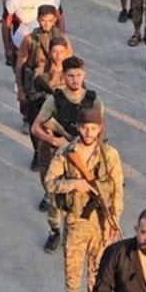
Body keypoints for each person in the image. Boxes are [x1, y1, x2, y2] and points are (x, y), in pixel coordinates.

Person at [44, 107, 124, 292]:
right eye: (85, 128)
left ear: (100, 129)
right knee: (73, 268)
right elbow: (50, 182)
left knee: (98, 268)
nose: (89, 133)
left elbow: (117, 190)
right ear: (78, 128)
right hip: (76, 221)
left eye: (93, 128)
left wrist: (114, 220)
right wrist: (74, 184)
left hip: (102, 222)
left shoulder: (110, 155)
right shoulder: (66, 153)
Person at [31, 56, 103, 251]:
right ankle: (55, 231)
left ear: (84, 75)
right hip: (57, 156)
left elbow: (100, 130)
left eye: (78, 75)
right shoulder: (55, 99)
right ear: (63, 76)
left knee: (85, 195)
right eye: (71, 76)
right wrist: (56, 141)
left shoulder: (93, 100)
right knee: (54, 199)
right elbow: (36, 127)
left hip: (84, 157)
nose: (75, 80)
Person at [28, 36, 72, 215]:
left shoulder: (71, 73)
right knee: (45, 166)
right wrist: (48, 95)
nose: (58, 55)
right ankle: (48, 193)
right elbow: (33, 94)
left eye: (62, 52)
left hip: (67, 127)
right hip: (48, 127)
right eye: (55, 51)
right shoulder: (42, 72)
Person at [16, 5, 65, 151]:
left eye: (50, 21)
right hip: (35, 86)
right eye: (43, 20)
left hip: (55, 84)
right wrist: (20, 89)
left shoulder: (61, 39)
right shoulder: (29, 39)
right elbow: (20, 65)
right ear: (38, 20)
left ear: (55, 20)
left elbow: (70, 62)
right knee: (34, 120)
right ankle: (37, 152)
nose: (46, 24)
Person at [3, 0, 63, 67]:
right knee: (22, 71)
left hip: (47, 44)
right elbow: (6, 25)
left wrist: (61, 41)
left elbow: (60, 20)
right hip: (21, 44)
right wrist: (7, 47)